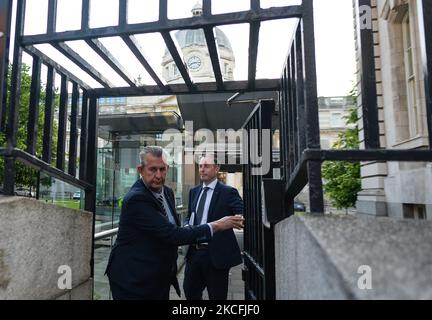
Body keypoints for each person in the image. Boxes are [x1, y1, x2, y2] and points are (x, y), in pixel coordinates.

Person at [105, 146, 244, 300]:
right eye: (152, 169)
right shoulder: (137, 199)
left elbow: (175, 225)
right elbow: (172, 234)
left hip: (162, 275)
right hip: (135, 279)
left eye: (162, 169)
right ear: (140, 169)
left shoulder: (167, 192)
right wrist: (217, 225)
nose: (158, 175)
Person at [183, 154, 243, 300]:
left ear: (216, 169)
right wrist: (186, 225)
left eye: (207, 166)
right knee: (189, 290)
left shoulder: (228, 192)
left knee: (217, 295)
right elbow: (190, 215)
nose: (202, 170)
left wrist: (238, 218)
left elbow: (241, 212)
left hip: (216, 254)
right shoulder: (194, 191)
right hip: (194, 252)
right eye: (200, 166)